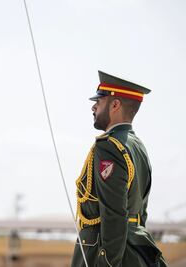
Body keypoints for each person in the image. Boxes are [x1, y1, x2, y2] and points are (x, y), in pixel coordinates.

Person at [71, 71, 167, 267]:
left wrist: (105, 262)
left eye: (99, 100)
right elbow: (141, 213)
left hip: (106, 254)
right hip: (134, 249)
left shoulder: (109, 146)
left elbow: (114, 213)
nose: (93, 106)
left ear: (115, 105)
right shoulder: (137, 146)